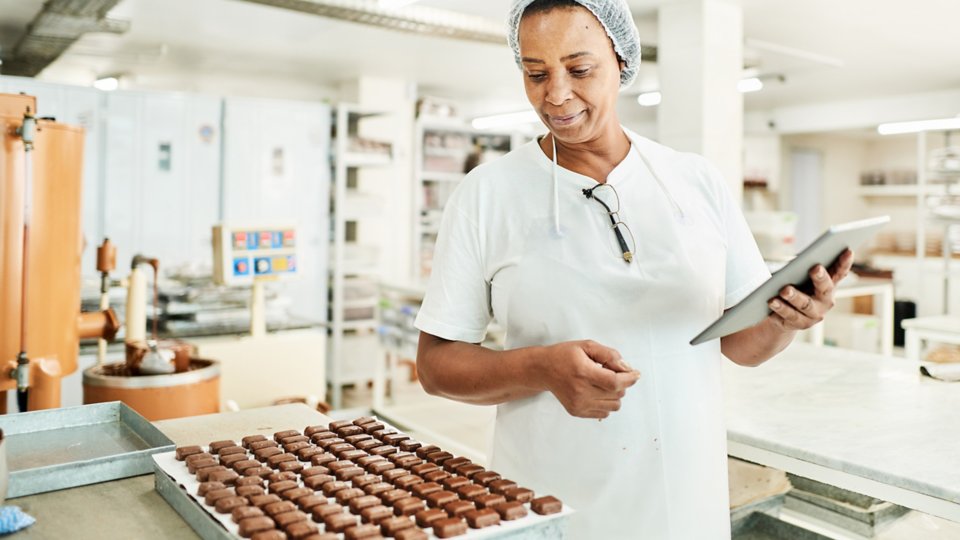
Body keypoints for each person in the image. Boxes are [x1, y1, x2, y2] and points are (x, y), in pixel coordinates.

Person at [413, 0, 854, 537]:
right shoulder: (487, 194)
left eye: (579, 69)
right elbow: (436, 366)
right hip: (553, 502)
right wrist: (542, 368)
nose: (555, 94)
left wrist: (787, 318)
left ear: (621, 62)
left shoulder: (695, 182)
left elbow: (742, 345)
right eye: (535, 73)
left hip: (685, 499)